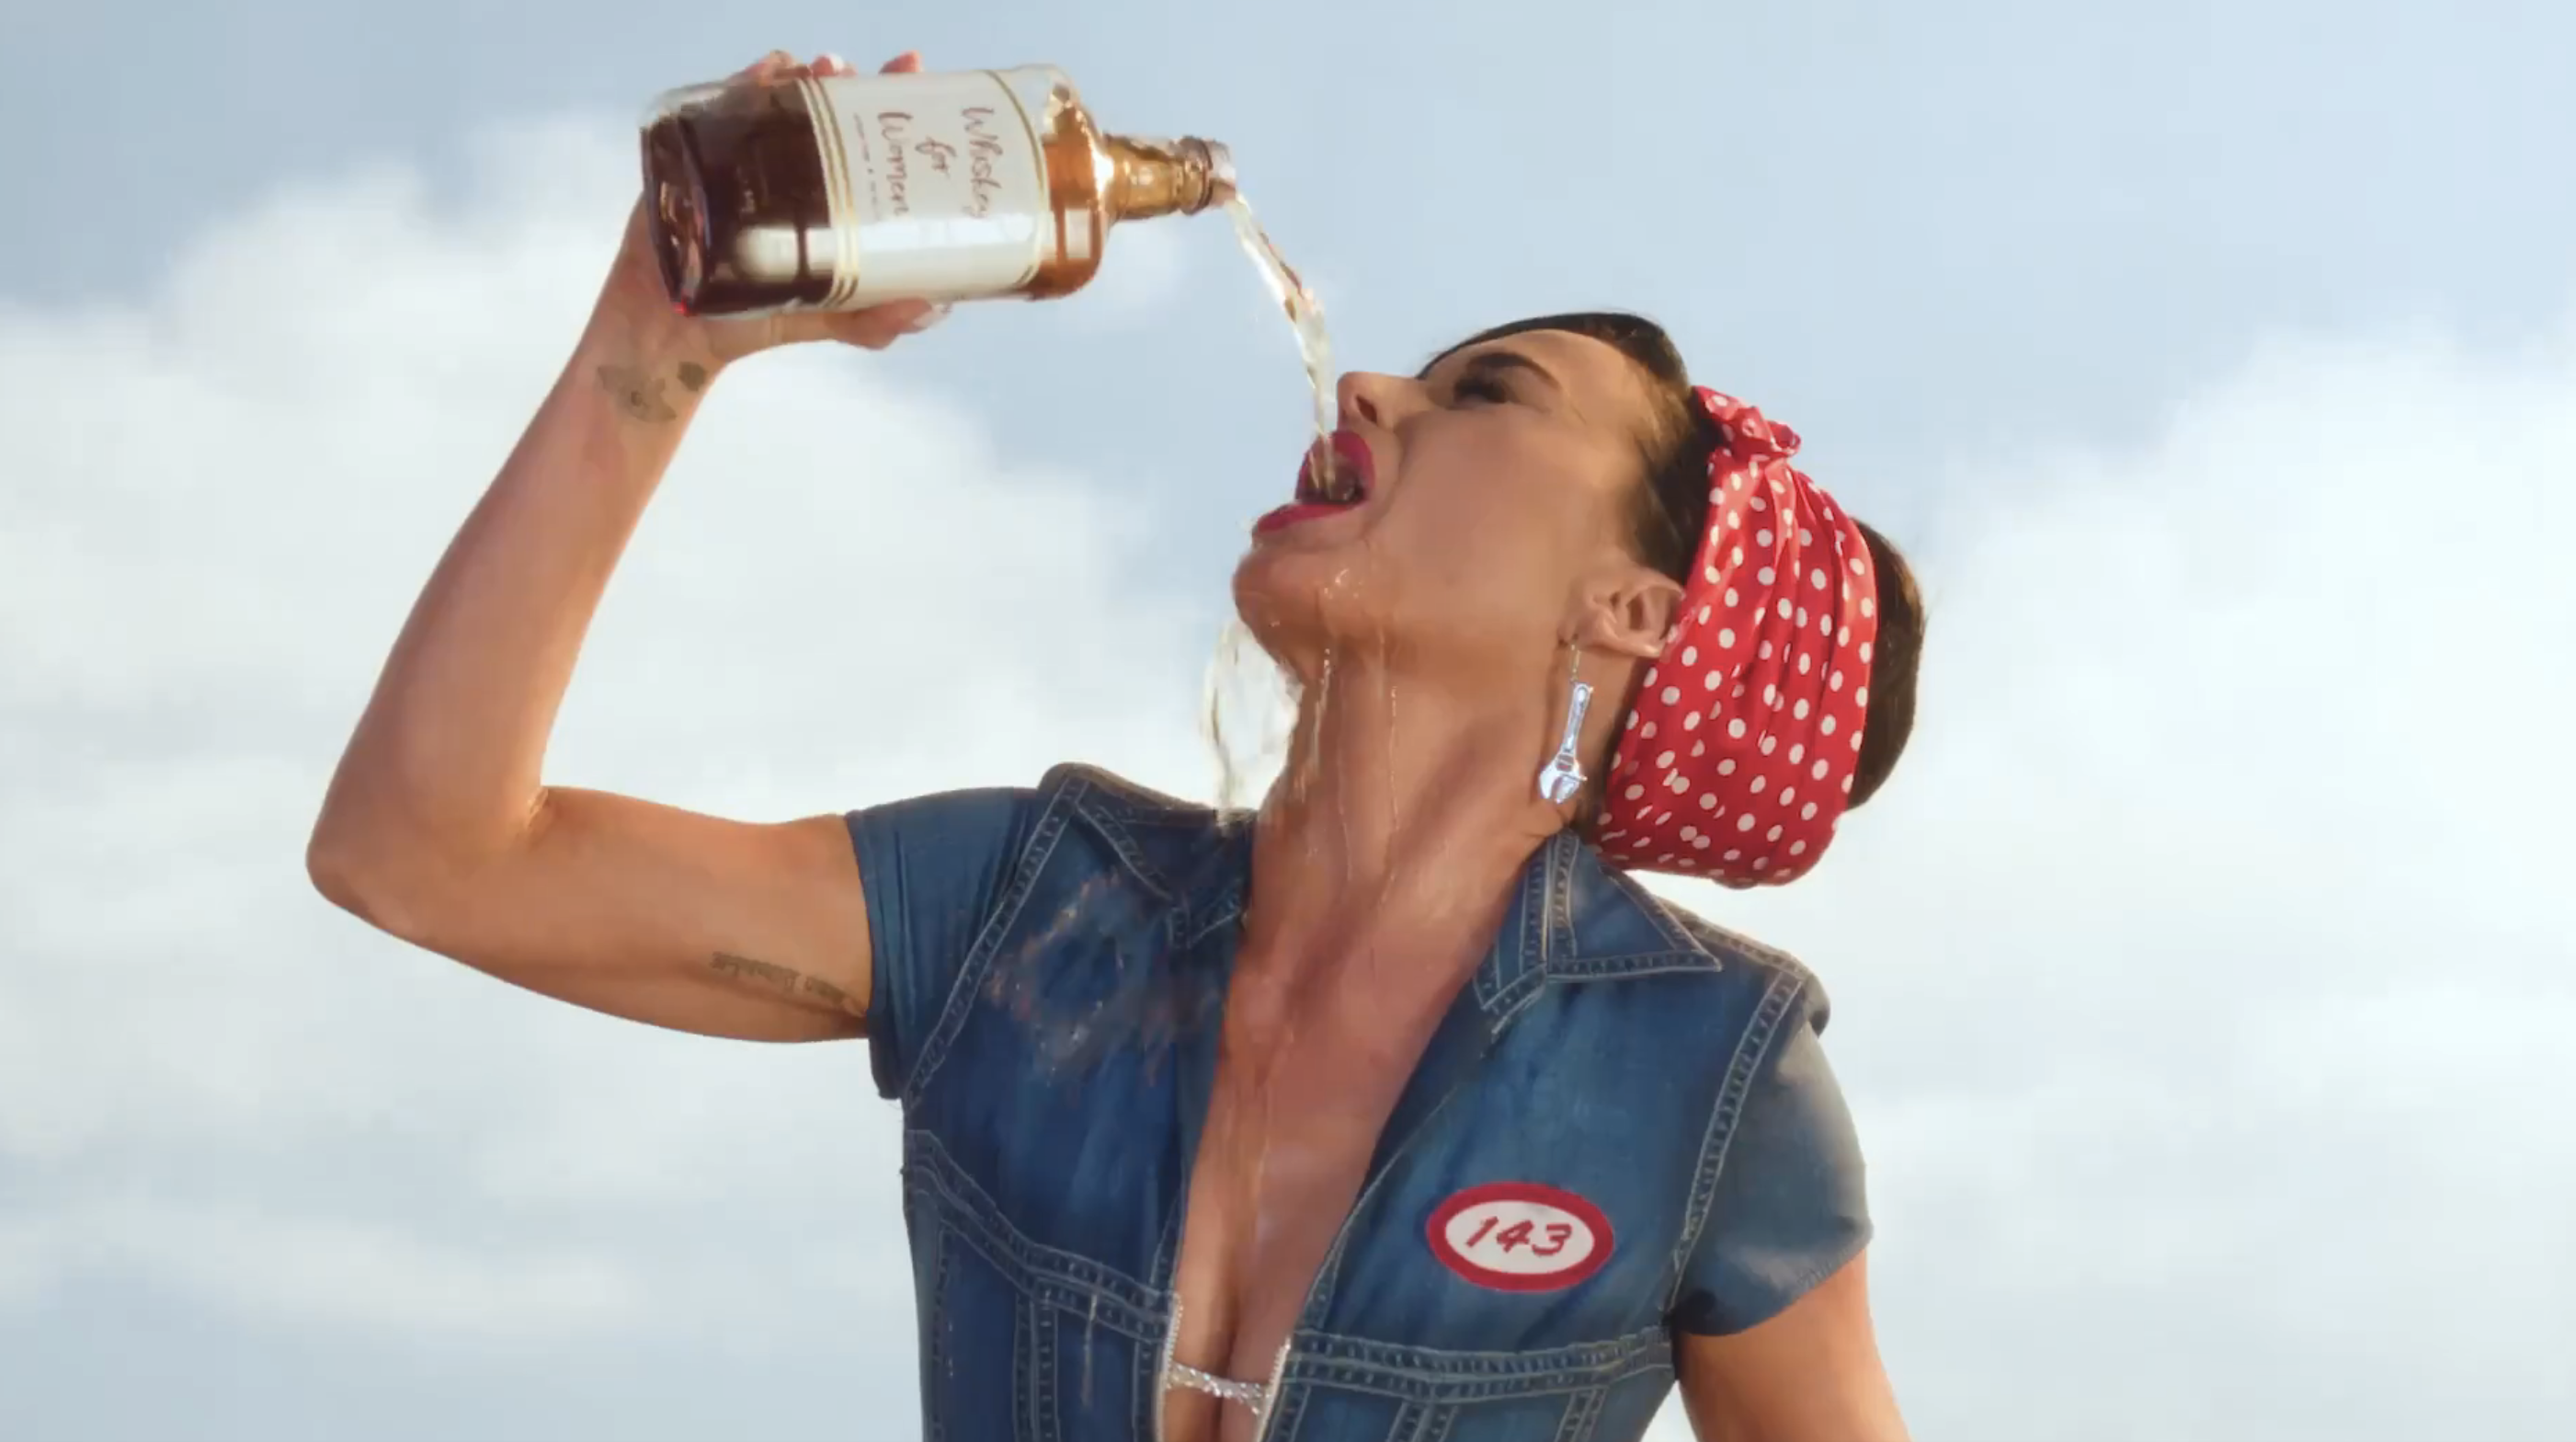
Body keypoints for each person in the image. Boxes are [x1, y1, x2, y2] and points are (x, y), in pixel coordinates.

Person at [306, 48, 1924, 1442]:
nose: (1364, 386)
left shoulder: (1708, 1078)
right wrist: (660, 338)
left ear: (1632, 614)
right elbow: (425, 856)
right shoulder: (1026, 907)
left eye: (1484, 395)